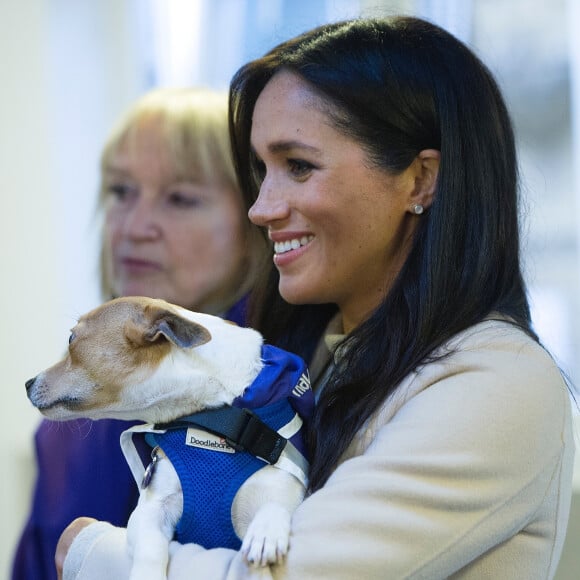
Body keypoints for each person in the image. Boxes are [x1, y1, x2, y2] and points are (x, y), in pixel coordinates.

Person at [55, 16, 575, 579]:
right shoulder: (309, 363)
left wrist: (88, 553)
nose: (260, 207)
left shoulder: (498, 383)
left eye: (298, 166)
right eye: (261, 169)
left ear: (421, 180)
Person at [12, 87, 267, 580]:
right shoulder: (66, 423)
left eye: (180, 198)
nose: (135, 225)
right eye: (121, 191)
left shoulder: (279, 387)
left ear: (257, 217)